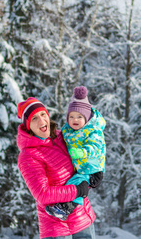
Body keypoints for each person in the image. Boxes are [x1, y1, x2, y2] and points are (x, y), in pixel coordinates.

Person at [16, 97, 99, 239]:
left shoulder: (65, 137)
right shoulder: (29, 156)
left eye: (42, 114)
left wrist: (95, 173)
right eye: (34, 119)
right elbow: (43, 194)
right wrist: (77, 190)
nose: (41, 121)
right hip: (56, 226)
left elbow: (85, 160)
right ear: (28, 126)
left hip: (82, 219)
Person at [45, 86, 106, 221]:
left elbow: (96, 147)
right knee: (73, 183)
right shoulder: (69, 130)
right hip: (80, 166)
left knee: (77, 184)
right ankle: (64, 206)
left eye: (79, 116)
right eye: (71, 116)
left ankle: (66, 207)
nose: (75, 119)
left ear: (87, 118)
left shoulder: (93, 131)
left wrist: (82, 152)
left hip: (92, 167)